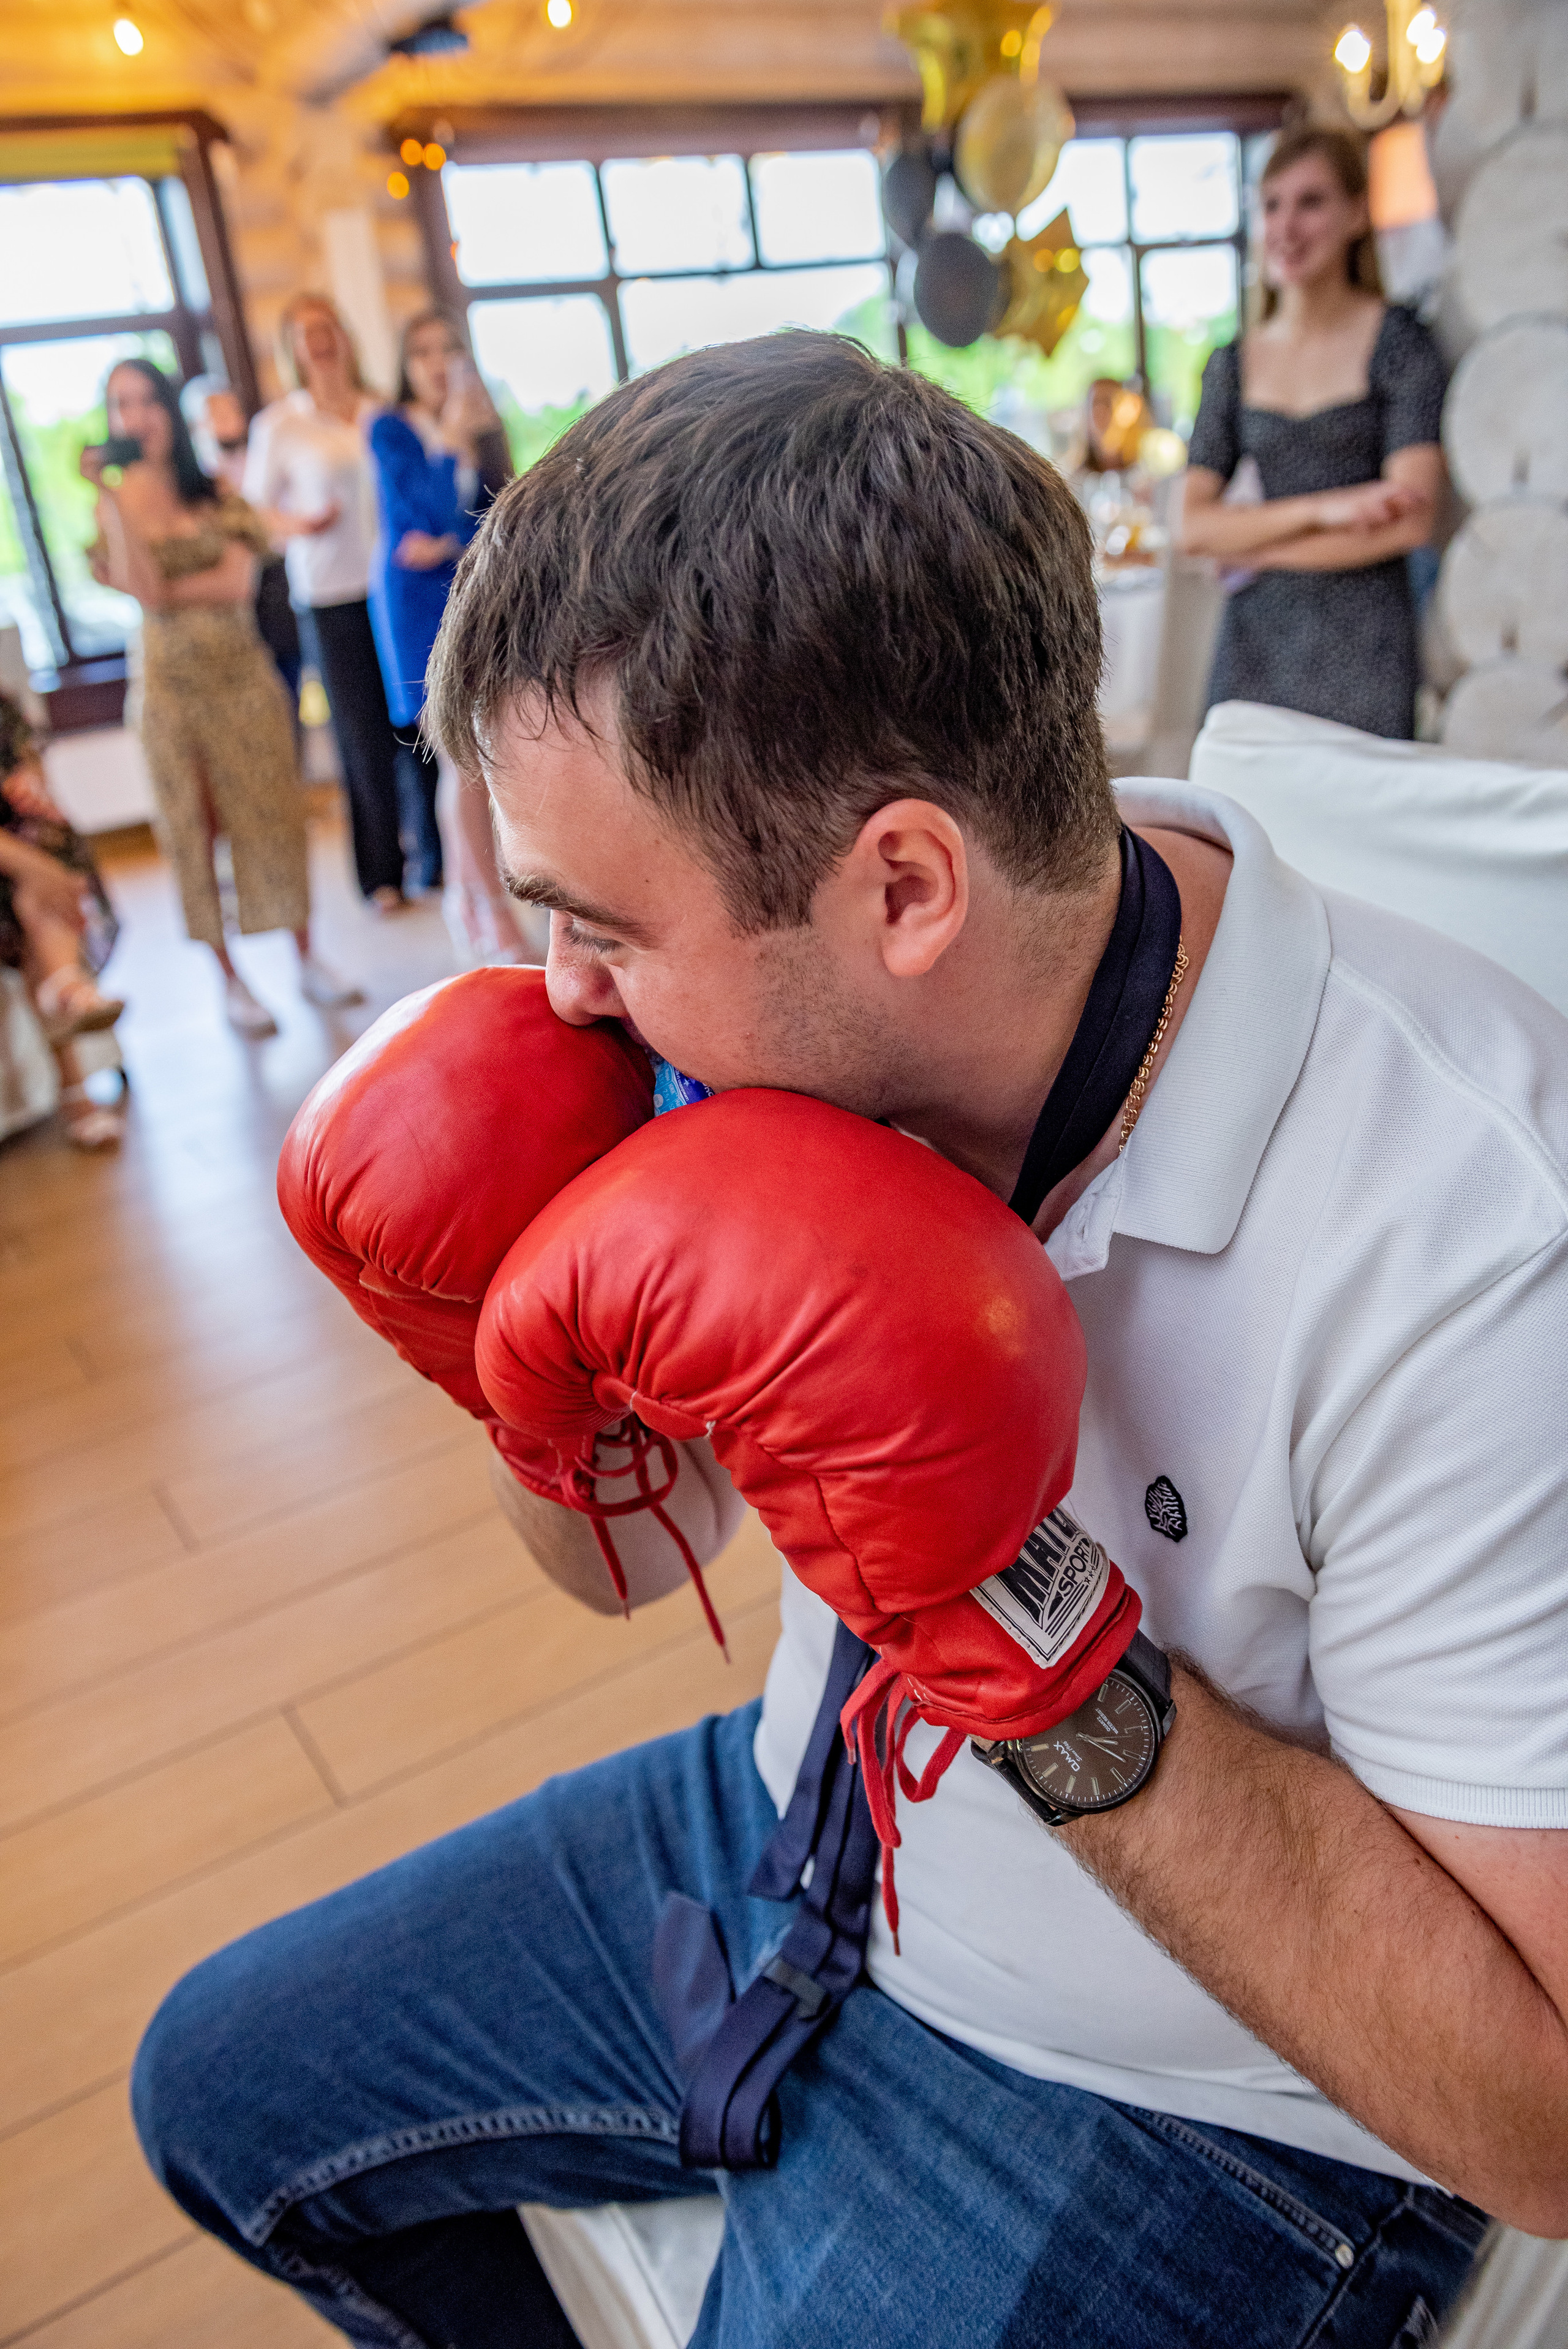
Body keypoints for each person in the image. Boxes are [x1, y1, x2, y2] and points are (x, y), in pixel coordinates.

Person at [132, 336, 1568, 2348]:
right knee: (219, 2085)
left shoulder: (1476, 1234)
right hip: (804, 1827)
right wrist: (521, 1370)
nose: (558, 996)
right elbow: (632, 1564)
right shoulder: (781, 1023)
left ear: (903, 883)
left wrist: (1026, 1631)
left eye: (599, 926)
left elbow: (1546, 2120)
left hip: (1193, 2096)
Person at [84, 358, 360, 1036]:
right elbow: (147, 589)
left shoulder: (213, 491)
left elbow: (235, 584)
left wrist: (160, 590)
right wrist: (116, 505)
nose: (136, 417)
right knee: (192, 830)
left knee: (272, 814)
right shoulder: (113, 504)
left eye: (147, 401)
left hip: (240, 675)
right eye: (121, 405)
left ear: (169, 410)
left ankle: (306, 957)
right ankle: (230, 981)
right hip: (168, 689)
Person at [1179, 124, 1447, 740]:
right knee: (1239, 826)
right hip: (1253, 648)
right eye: (1272, 204)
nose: (1286, 227)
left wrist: (1251, 546)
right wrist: (1331, 508)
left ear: (1357, 213)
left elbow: (1410, 520)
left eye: (1311, 202)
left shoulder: (1401, 343)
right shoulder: (1232, 361)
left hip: (1366, 643)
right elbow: (1192, 528)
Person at [244, 297, 437, 906]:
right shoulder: (280, 425)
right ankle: (381, 875)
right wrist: (300, 525)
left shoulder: (381, 411)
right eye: (304, 334)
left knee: (417, 728)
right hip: (330, 597)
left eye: (326, 328)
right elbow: (254, 514)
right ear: (291, 349)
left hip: (396, 592)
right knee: (362, 740)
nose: (318, 342)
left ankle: (435, 860)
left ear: (344, 336)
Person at [366, 310, 529, 964]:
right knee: (457, 757)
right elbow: (417, 524)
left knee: (489, 751)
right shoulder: (390, 428)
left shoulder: (482, 420)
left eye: (449, 349)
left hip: (475, 594)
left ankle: (476, 894)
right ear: (405, 365)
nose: (437, 364)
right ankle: (486, 909)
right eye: (423, 351)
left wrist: (446, 540)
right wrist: (451, 447)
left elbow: (499, 517)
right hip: (417, 610)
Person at [0, 691, 126, 1148]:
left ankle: (63, 986)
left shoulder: (5, 709)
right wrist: (38, 866)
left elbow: (31, 771)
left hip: (24, 862)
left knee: (37, 878)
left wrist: (30, 781)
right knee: (40, 881)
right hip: (22, 867)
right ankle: (66, 986)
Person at [182, 375, 303, 721]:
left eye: (228, 409)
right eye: (213, 413)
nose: (225, 419)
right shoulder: (198, 483)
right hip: (237, 605)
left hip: (281, 590)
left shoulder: (262, 458)